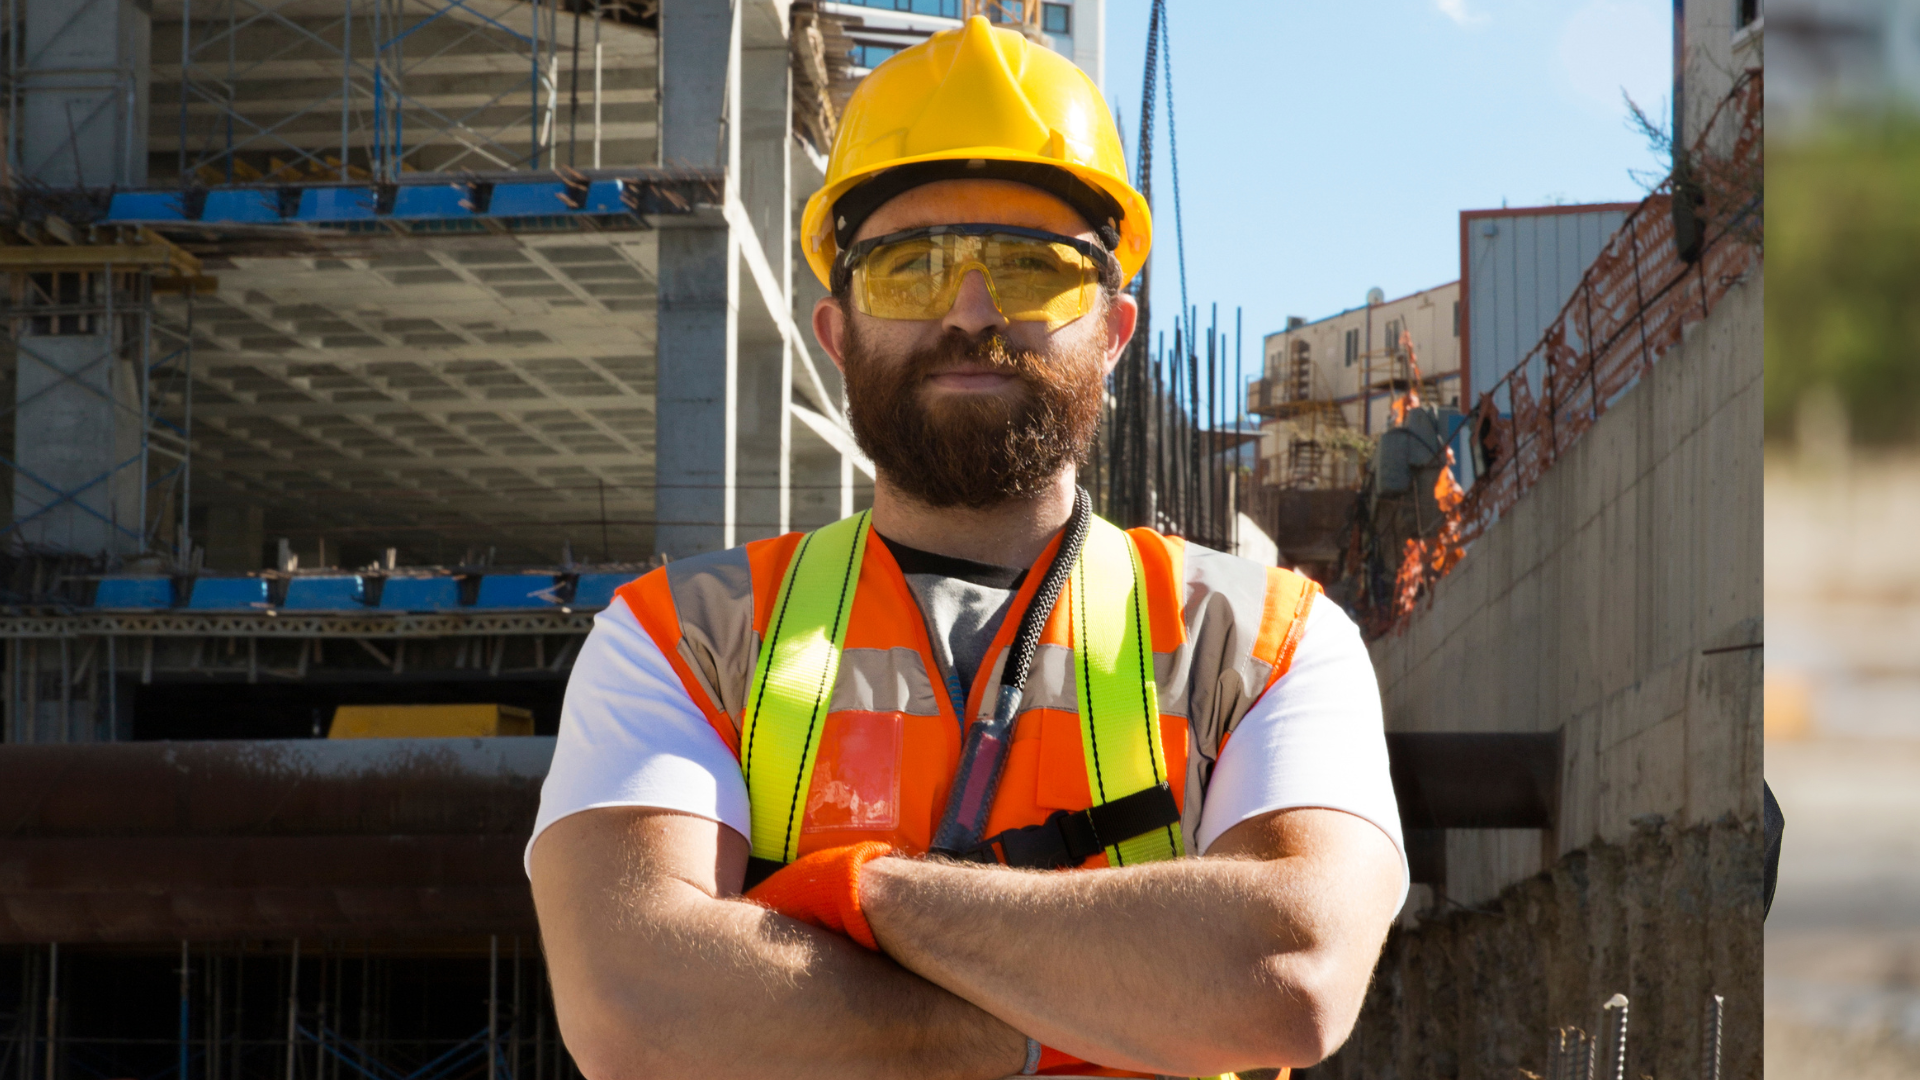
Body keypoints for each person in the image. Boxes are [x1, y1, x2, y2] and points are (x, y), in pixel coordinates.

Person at [527, 17, 1406, 1080]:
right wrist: (1084, 1017)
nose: (972, 310)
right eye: (910, 270)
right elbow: (637, 1007)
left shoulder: (1264, 642)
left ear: (1114, 331)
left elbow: (1292, 974)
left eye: (1033, 270)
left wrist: (855, 892)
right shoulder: (679, 640)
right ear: (836, 330)